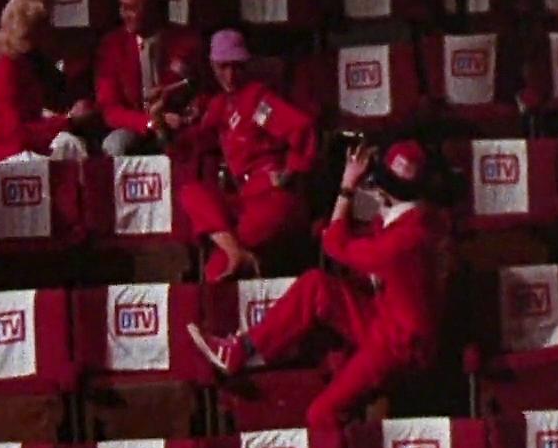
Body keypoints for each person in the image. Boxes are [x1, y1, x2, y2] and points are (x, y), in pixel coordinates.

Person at [186, 140, 451, 430]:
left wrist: (347, 187)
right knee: (316, 286)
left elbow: (334, 244)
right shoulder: (420, 218)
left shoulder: (404, 240)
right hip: (385, 318)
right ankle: (241, 350)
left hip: (402, 347)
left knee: (321, 414)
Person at [174, 28, 318, 281]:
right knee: (190, 191)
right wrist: (163, 125)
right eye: (223, 67)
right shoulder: (220, 105)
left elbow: (301, 128)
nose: (230, 75)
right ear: (212, 66)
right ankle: (235, 252)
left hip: (273, 198)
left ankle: (233, 255)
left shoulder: (258, 98)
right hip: (245, 198)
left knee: (215, 272)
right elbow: (192, 145)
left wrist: (291, 171)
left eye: (236, 66)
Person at [95, 0, 208, 156]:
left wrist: (189, 115)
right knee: (115, 144)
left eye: (131, 9)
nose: (124, 15)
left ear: (155, 9)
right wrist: (151, 122)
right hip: (137, 125)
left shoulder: (189, 42)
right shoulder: (112, 46)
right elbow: (109, 108)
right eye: (122, 8)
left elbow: (204, 90)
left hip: (179, 125)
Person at [0, 0, 93, 165]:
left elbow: (61, 94)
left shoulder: (33, 60)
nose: (52, 29)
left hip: (30, 142)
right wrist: (68, 121)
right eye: (47, 23)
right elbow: (14, 131)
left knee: (71, 144)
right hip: (9, 149)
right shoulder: (7, 65)